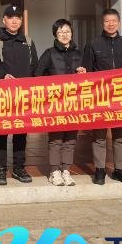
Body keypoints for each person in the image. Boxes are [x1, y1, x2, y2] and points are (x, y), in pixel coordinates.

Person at [81, 8, 122, 186]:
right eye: (107, 21)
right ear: (102, 23)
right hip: (100, 96)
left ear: (118, 23)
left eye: (113, 21)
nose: (110, 24)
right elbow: (87, 71)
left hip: (121, 96)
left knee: (120, 135)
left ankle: (119, 169)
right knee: (99, 136)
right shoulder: (93, 44)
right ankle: (99, 169)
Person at [0, 4, 37, 185]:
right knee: (1, 131)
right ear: (4, 20)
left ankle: (19, 167)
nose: (14, 21)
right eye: (10, 17)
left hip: (24, 95)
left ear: (21, 21)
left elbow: (35, 67)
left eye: (17, 18)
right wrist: (2, 75)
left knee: (21, 132)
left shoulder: (28, 42)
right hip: (3, 95)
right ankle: (0, 169)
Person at [35, 19, 86, 186]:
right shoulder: (49, 53)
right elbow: (37, 75)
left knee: (71, 139)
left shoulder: (79, 54)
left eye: (67, 31)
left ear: (72, 33)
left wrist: (83, 73)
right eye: (61, 32)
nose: (64, 35)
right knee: (56, 138)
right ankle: (54, 171)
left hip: (74, 102)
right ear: (55, 35)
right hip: (55, 103)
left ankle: (66, 169)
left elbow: (88, 78)